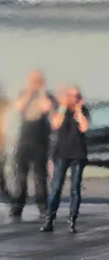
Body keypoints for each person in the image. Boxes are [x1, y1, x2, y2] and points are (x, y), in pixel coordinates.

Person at [40, 86, 90, 234]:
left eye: (75, 96)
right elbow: (55, 125)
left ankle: (72, 220)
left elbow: (84, 127)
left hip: (78, 154)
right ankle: (50, 220)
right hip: (61, 154)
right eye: (70, 95)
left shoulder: (83, 111)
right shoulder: (60, 110)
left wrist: (79, 110)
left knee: (75, 189)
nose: (72, 98)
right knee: (56, 188)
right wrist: (62, 107)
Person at [10, 70, 56, 221]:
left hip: (41, 142)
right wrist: (29, 92)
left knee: (40, 177)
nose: (34, 83)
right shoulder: (23, 94)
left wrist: (41, 92)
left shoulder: (47, 96)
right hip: (24, 141)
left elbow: (47, 107)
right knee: (20, 176)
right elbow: (19, 107)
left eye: (37, 81)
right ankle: (17, 207)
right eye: (32, 80)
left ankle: (43, 207)